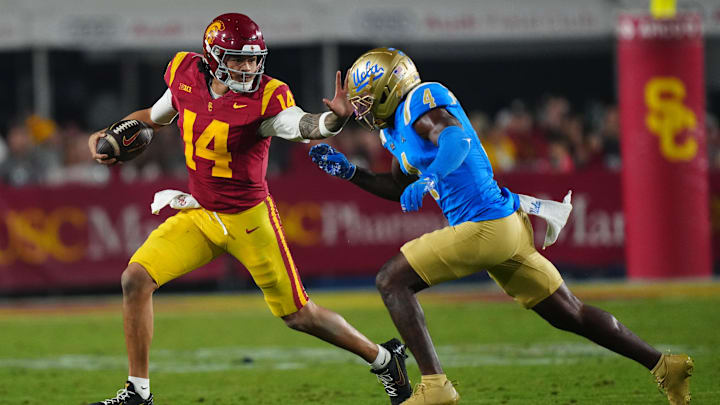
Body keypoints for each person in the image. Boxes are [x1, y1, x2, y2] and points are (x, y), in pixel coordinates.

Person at [309, 47, 693, 405]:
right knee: (570, 313)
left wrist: (431, 179)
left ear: (389, 91)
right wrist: (351, 173)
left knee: (391, 280)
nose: (360, 111)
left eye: (365, 100)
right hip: (503, 229)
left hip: (485, 226)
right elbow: (397, 186)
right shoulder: (395, 130)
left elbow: (456, 139)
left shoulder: (418, 103)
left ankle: (435, 385)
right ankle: (665, 366)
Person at [86, 15, 412, 405]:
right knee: (135, 279)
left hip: (249, 221)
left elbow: (303, 125)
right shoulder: (186, 74)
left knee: (299, 315)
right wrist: (109, 136)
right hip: (201, 215)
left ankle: (383, 359)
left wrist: (334, 119)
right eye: (239, 60)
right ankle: (138, 393)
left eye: (254, 59)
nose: (249, 68)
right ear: (213, 58)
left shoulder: (267, 97)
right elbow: (153, 119)